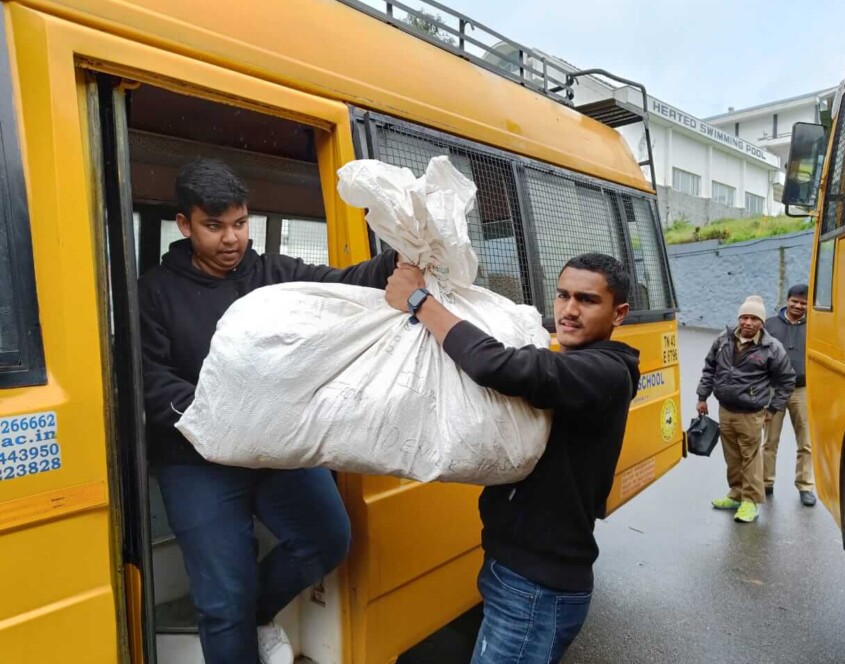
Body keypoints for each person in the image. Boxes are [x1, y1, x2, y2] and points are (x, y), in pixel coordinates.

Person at [139, 158, 397, 664]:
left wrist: (400, 258)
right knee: (222, 600)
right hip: (196, 460)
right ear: (185, 225)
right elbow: (150, 379)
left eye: (240, 223)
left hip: (276, 447)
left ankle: (257, 614)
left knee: (327, 539)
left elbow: (345, 284)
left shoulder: (276, 275)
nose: (231, 239)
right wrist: (220, 415)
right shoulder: (153, 292)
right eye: (214, 226)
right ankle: (239, 619)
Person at [384, 252, 640, 663]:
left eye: (587, 300)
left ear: (619, 313)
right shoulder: (578, 363)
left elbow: (495, 365)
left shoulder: (603, 372)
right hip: (518, 573)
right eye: (563, 295)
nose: (569, 310)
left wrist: (419, 301)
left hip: (536, 590)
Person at [696, 295, 796, 524]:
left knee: (750, 458)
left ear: (762, 322)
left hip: (751, 413)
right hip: (726, 409)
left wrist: (774, 408)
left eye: (754, 318)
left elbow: (787, 380)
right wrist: (702, 396)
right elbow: (710, 367)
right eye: (744, 317)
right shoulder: (723, 339)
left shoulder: (771, 347)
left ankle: (750, 502)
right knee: (732, 456)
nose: (748, 322)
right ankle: (736, 494)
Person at [763, 284, 816, 506]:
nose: (798, 306)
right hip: (773, 390)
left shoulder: (815, 326)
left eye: (803, 303)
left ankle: (805, 486)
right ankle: (766, 482)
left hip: (801, 390)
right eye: (794, 301)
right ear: (787, 300)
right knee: (770, 441)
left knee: (806, 442)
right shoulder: (769, 325)